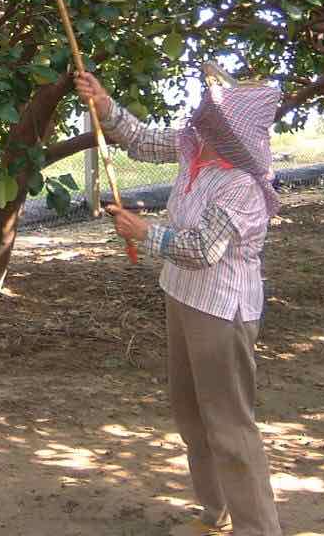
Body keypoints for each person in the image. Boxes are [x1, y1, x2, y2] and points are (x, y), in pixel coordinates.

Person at [75, 67, 283, 536]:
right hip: (182, 297)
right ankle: (215, 515)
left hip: (221, 312)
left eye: (209, 120)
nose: (197, 123)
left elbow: (202, 250)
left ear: (228, 135)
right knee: (191, 416)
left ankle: (259, 529)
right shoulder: (196, 148)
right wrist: (104, 103)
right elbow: (142, 139)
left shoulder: (242, 184)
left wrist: (145, 233)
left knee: (229, 426)